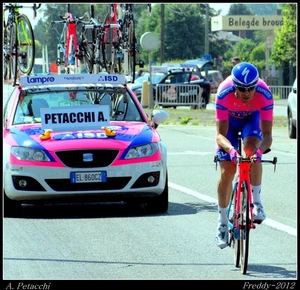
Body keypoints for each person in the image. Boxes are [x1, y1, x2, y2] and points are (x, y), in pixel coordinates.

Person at [214, 62, 274, 249]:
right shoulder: (223, 93)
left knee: (250, 150)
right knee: (228, 171)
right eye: (242, 89)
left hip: (251, 121)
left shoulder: (264, 94)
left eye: (251, 88)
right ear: (234, 87)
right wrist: (231, 151)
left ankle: (256, 203)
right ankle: (222, 222)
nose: (247, 93)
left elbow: (268, 136)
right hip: (229, 125)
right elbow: (220, 136)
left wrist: (258, 152)